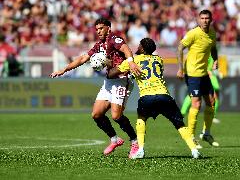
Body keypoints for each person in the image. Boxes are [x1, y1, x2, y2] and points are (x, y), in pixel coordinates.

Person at [50, 18, 141, 158]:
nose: (98, 31)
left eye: (101, 28)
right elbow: (82, 59)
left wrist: (131, 62)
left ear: (108, 28)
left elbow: (126, 49)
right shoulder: (99, 45)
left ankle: (135, 142)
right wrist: (63, 70)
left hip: (123, 80)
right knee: (96, 114)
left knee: (116, 116)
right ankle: (114, 139)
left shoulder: (113, 39)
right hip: (109, 81)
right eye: (97, 29)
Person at [107, 38, 201, 159]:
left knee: (141, 119)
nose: (138, 47)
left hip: (147, 96)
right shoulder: (159, 60)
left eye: (139, 45)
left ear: (142, 48)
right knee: (179, 124)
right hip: (164, 95)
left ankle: (140, 150)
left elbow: (111, 74)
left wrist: (108, 65)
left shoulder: (134, 60)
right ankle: (194, 150)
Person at [176, 9, 219, 148]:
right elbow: (180, 48)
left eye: (207, 18)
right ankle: (191, 137)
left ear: (211, 19)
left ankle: (206, 133)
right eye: (202, 18)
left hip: (204, 73)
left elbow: (213, 47)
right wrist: (180, 68)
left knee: (211, 102)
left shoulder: (212, 33)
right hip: (192, 73)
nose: (205, 20)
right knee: (196, 104)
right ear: (198, 20)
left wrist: (216, 59)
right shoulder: (193, 33)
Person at [181, 55, 221, 124]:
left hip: (209, 74)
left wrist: (215, 67)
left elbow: (213, 63)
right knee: (193, 96)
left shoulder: (211, 50)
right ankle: (182, 113)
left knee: (215, 93)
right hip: (200, 74)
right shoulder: (201, 50)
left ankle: (213, 116)